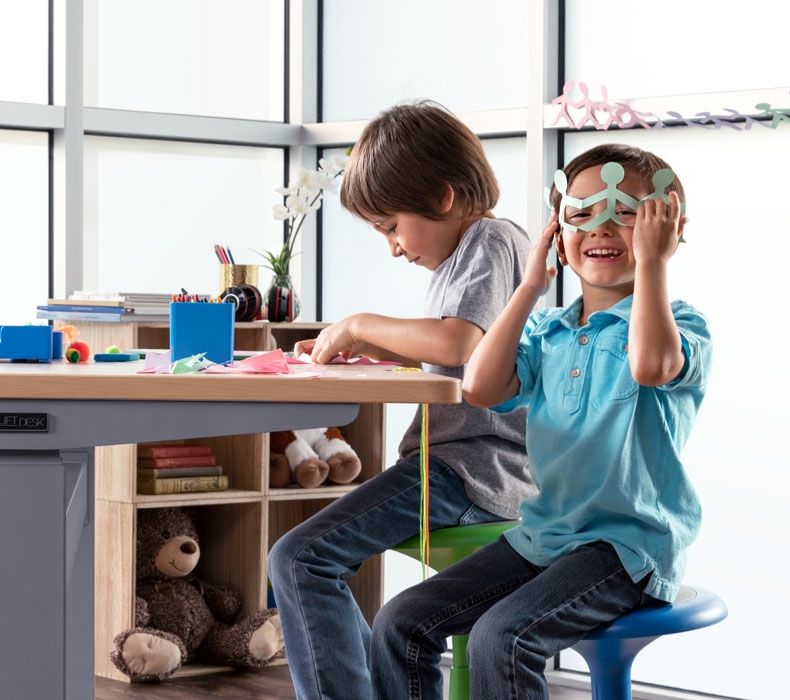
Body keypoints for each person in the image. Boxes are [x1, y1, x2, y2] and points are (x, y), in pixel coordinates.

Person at [369, 143, 712, 699]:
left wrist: (652, 263)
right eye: (581, 214)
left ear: (665, 228)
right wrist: (529, 286)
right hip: (543, 537)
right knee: (400, 622)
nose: (602, 227)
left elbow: (650, 365)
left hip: (626, 550)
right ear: (558, 233)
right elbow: (479, 385)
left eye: (626, 213)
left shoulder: (681, 324)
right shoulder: (547, 331)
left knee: (501, 638)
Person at [266, 100, 535, 700]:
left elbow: (458, 341)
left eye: (390, 226)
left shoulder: (490, 240)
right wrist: (369, 352)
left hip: (472, 472)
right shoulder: (469, 253)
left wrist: (360, 325)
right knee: (305, 561)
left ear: (441, 197)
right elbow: (452, 350)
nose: (393, 247)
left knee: (299, 560)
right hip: (461, 468)